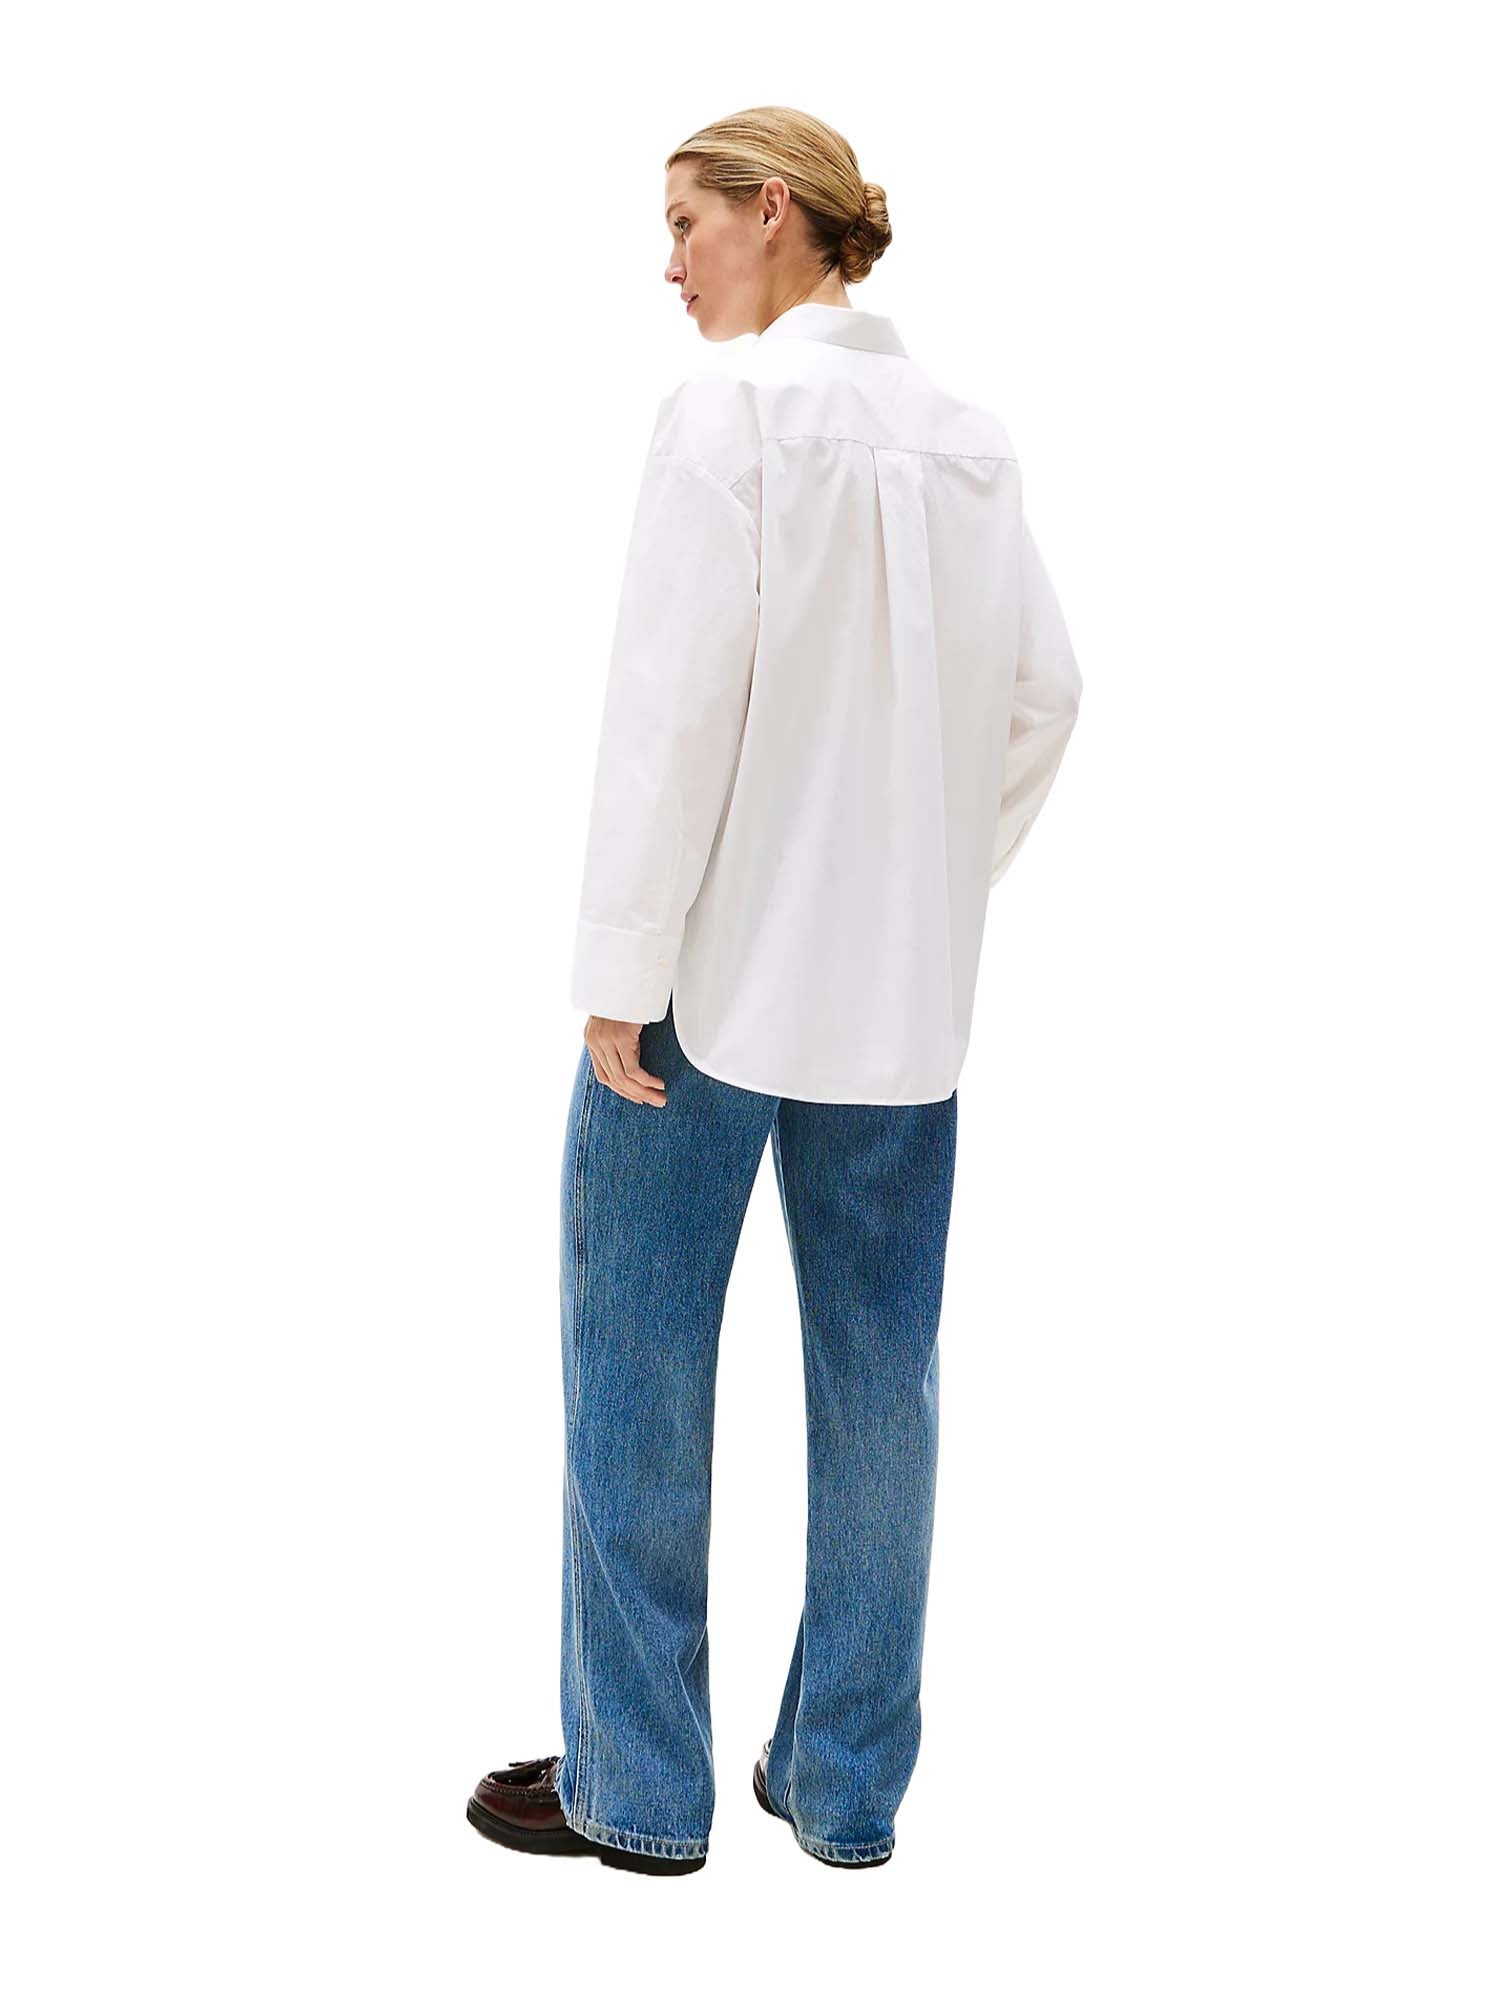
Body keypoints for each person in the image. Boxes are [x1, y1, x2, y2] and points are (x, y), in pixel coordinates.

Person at [467, 104, 1083, 1876]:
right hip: (902, 1010)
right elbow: (1047, 698)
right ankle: (843, 1782)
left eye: (686, 220)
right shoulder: (971, 443)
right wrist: (919, 889)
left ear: (773, 210)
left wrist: (618, 968)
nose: (667, 263)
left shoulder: (727, 418)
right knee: (883, 1380)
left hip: (705, 990)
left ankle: (638, 1788)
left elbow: (671, 719)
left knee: (636, 1364)